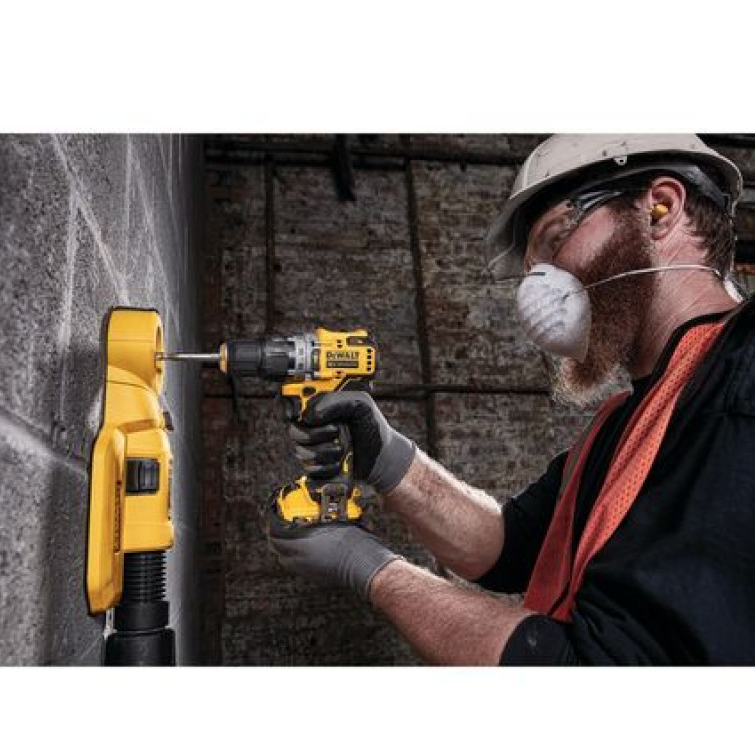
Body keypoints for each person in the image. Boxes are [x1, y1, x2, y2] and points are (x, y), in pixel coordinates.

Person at [267, 134, 755, 665]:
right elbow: (509, 547)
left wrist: (371, 569)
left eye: (554, 240)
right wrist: (388, 460)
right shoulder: (622, 421)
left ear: (659, 207)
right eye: (531, 266)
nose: (537, 287)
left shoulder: (741, 372)